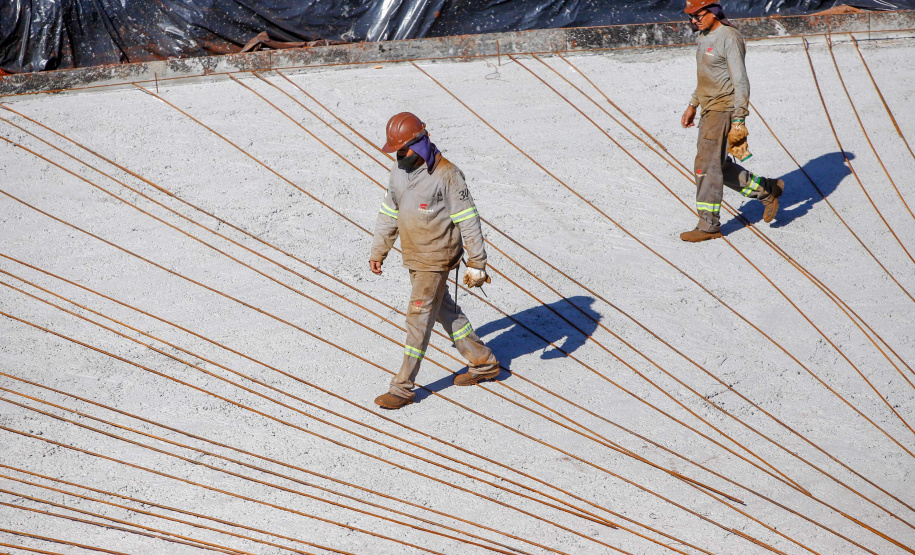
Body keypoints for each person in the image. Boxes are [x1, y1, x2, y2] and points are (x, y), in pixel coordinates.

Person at [369, 112, 501, 410]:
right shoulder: (398, 172)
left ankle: (402, 387)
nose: (399, 155)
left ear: (420, 142)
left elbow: (469, 220)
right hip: (414, 257)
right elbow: (389, 212)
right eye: (396, 150)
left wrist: (477, 263)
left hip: (437, 259)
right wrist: (379, 250)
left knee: (418, 320)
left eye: (403, 149)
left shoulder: (447, 174)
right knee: (445, 311)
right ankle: (484, 362)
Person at [680, 0, 785, 242]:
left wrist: (739, 118)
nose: (694, 20)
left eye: (698, 15)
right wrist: (693, 104)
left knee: (706, 166)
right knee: (719, 165)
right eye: (690, 17)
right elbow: (706, 76)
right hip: (708, 109)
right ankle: (766, 190)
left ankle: (709, 225)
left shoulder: (729, 37)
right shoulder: (704, 36)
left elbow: (740, 81)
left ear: (714, 12)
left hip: (723, 109)